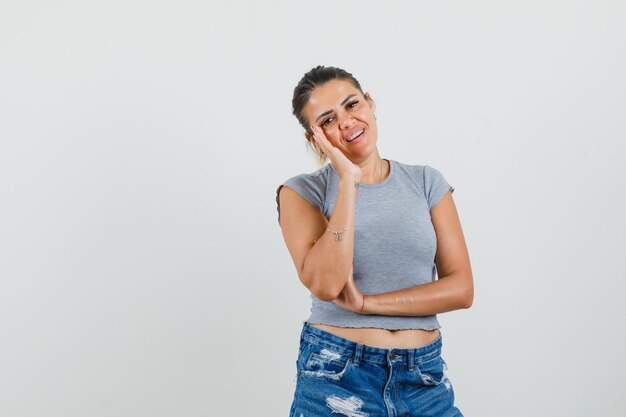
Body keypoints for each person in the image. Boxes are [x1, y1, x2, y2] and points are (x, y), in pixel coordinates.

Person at [276, 65, 473, 417]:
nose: (347, 121)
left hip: (424, 379)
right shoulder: (302, 192)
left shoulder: (426, 182)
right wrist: (349, 181)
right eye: (328, 120)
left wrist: (367, 304)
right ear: (313, 138)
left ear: (369, 103)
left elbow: (461, 289)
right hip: (338, 377)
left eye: (352, 105)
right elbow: (326, 283)